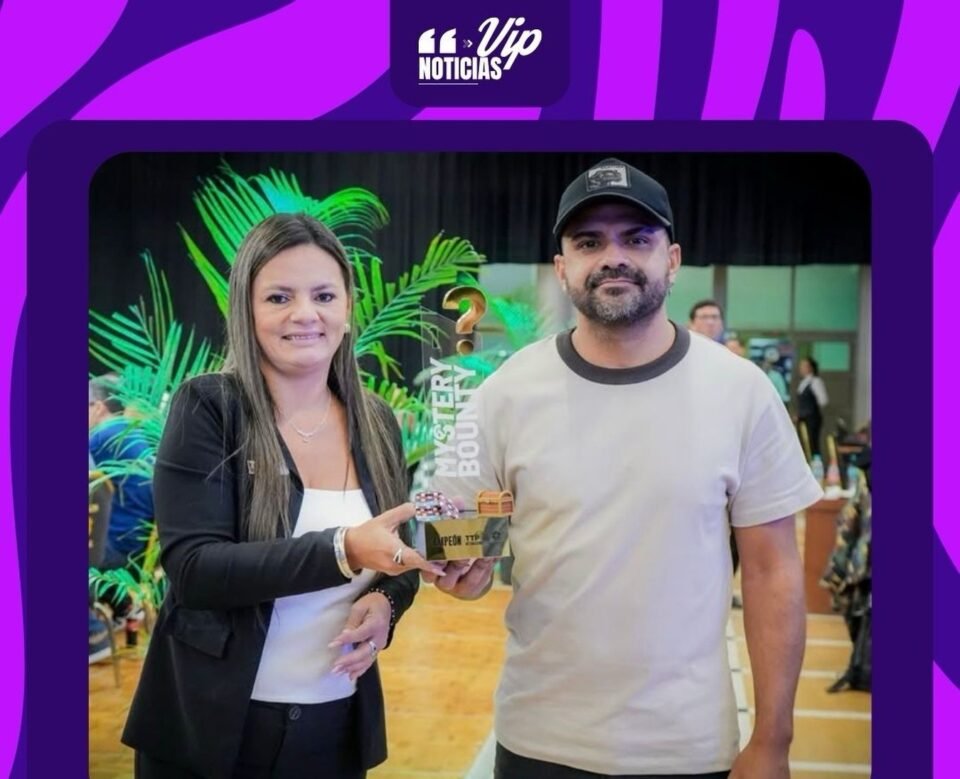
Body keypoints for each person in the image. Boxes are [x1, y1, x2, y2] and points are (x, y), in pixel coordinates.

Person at [427, 158, 822, 778]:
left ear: (672, 259)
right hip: (539, 742)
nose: (613, 257)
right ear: (562, 268)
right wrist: (460, 568)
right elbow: (458, 535)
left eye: (636, 239)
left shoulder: (741, 391)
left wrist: (773, 740)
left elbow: (772, 572)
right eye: (589, 242)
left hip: (688, 747)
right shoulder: (506, 393)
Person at [122, 213, 444, 778]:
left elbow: (393, 555)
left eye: (324, 295)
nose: (304, 314)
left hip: (334, 727)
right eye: (278, 297)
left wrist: (386, 604)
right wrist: (343, 549)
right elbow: (195, 570)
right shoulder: (209, 407)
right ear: (246, 310)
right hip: (212, 731)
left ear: (348, 307)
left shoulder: (377, 422)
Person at [89, 374, 155, 570]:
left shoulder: (103, 437)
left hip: (111, 549)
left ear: (98, 407)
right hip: (135, 550)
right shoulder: (131, 433)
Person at [796, 356, 828, 458]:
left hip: (812, 418)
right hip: (802, 418)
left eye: (804, 366)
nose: (801, 368)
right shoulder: (803, 382)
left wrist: (810, 408)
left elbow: (823, 400)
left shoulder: (815, 381)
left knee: (812, 442)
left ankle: (816, 463)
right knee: (803, 444)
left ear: (810, 368)